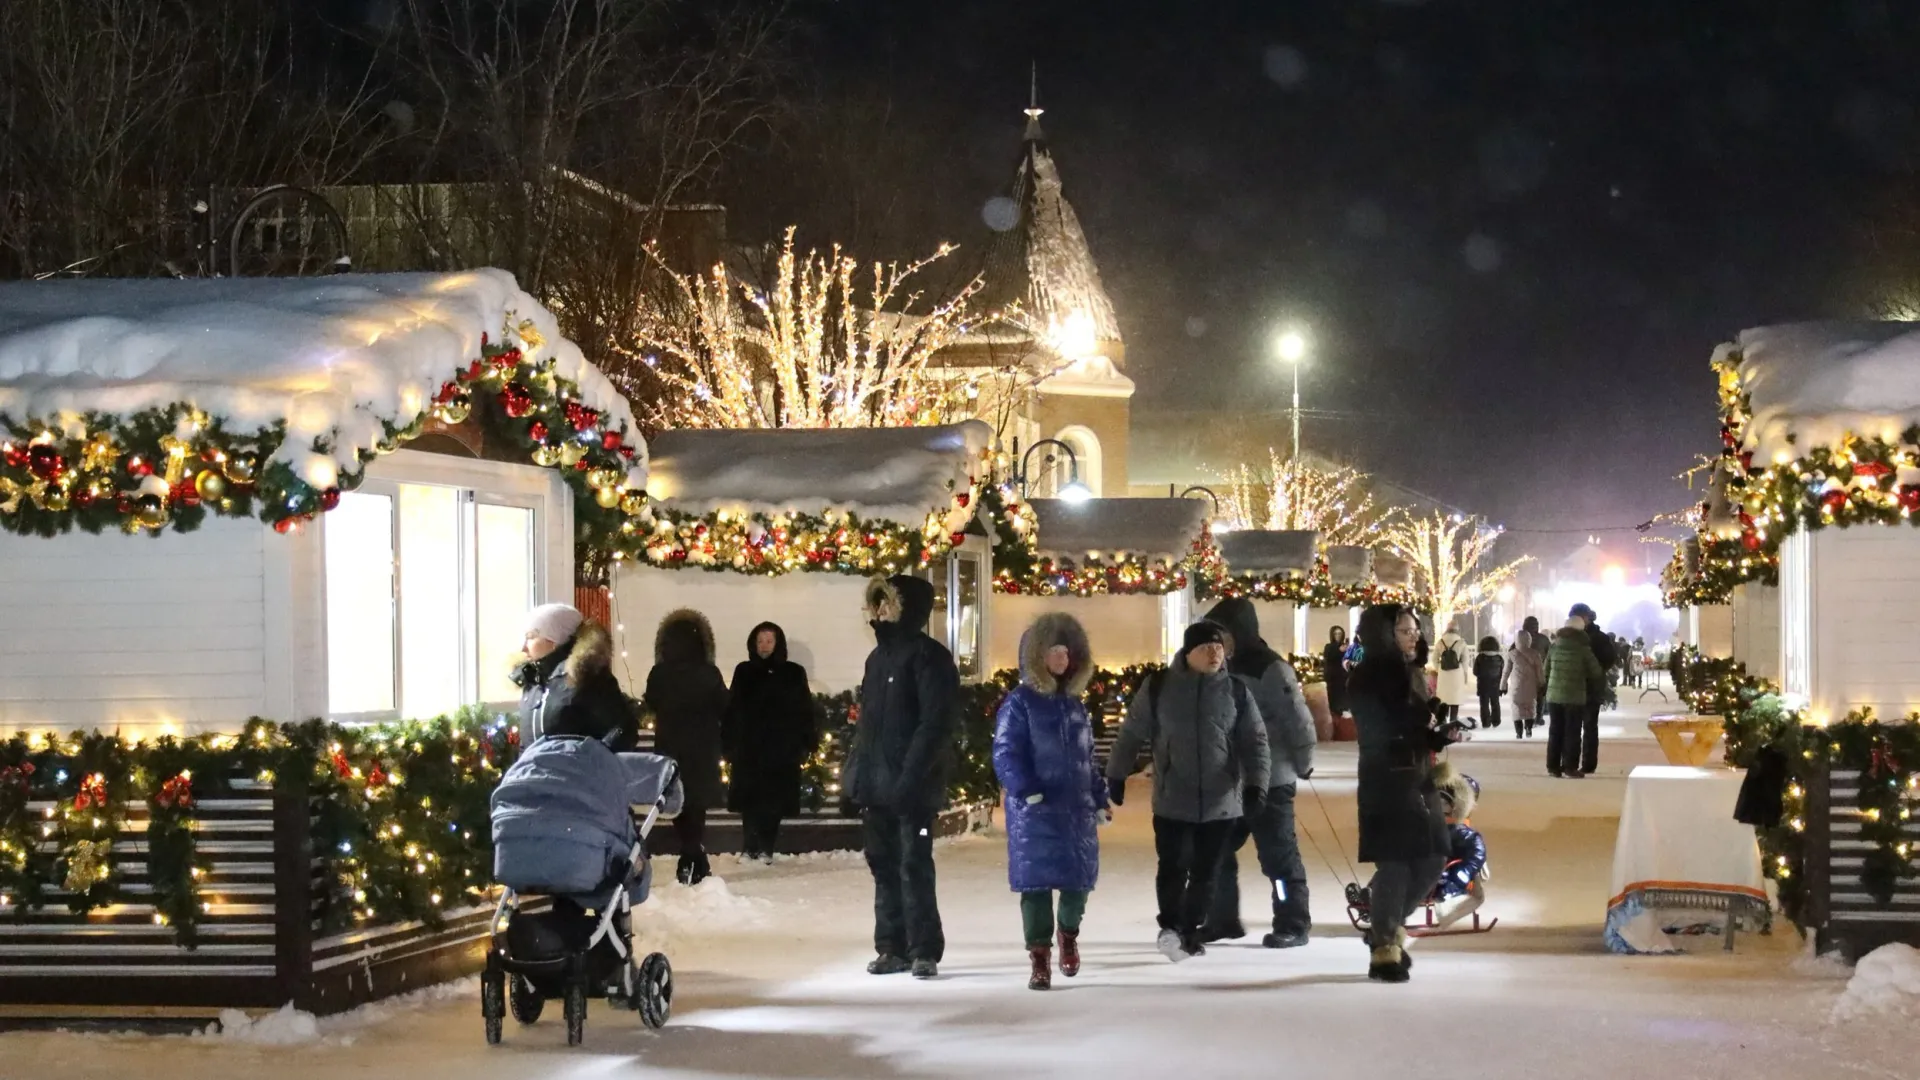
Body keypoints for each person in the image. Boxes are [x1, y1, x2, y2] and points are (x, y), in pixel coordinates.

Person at [1105, 620, 1269, 962]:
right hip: (1172, 797)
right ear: (1188, 652)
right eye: (1206, 647)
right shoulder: (1160, 686)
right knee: (1173, 865)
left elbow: (1255, 741)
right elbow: (1131, 733)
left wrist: (1256, 786)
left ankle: (1190, 930)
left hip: (1221, 800)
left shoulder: (1236, 691)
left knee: (1206, 873)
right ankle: (1170, 926)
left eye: (1219, 647)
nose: (1214, 653)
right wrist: (1116, 774)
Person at [849, 575, 960, 980]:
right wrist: (860, 777)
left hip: (913, 788)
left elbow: (935, 724)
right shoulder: (876, 661)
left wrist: (910, 778)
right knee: (882, 865)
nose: (880, 612)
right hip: (877, 786)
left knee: (914, 864)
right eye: (877, 605)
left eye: (888, 604)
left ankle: (923, 948)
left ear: (907, 609)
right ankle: (890, 947)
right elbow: (869, 727)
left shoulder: (930, 657)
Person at [1347, 603, 1463, 982]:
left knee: (1432, 858)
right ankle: (1384, 949)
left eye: (1414, 629)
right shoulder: (1370, 677)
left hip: (1419, 776)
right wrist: (1421, 728)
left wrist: (1437, 733)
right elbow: (1381, 732)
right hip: (1388, 780)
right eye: (1403, 631)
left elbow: (1413, 726)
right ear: (1383, 635)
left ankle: (1387, 925)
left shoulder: (1409, 673)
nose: (1414, 636)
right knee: (1395, 863)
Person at [992, 613, 1107, 991]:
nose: (1061, 659)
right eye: (1054, 651)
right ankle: (1039, 956)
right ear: (1037, 656)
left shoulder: (1075, 705)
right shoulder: (1019, 703)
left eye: (1066, 652)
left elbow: (1087, 758)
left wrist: (1100, 796)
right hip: (1036, 812)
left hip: (1074, 810)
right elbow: (1007, 751)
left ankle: (1068, 935)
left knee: (1078, 883)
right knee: (1036, 887)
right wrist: (1024, 788)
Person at [1201, 598, 1317, 949]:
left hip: (1271, 781)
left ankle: (1292, 922)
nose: (1218, 643)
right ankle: (1222, 919)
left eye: (1223, 634)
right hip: (1227, 783)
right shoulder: (1213, 669)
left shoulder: (1272, 670)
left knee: (1278, 856)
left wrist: (1303, 760)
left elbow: (1298, 720)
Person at [723, 622, 820, 861]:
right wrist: (729, 742)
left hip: (781, 748)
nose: (764, 645)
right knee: (750, 800)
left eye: (769, 640)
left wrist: (807, 741)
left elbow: (804, 708)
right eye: (760, 641)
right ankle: (749, 846)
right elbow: (732, 708)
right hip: (749, 748)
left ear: (778, 643)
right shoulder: (743, 671)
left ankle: (767, 847)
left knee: (774, 801)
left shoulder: (793, 673)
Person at [644, 609, 728, 885]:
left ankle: (690, 854)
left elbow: (652, 702)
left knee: (677, 802)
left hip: (670, 744)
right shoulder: (709, 673)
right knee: (696, 802)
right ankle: (693, 855)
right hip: (703, 746)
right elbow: (723, 706)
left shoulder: (659, 673)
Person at [513, 603, 639, 749]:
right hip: (534, 772)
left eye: (531, 637)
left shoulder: (587, 678)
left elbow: (622, 729)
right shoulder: (532, 681)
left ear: (554, 640)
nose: (523, 647)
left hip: (578, 772)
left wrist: (590, 762)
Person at [1543, 617, 1603, 778]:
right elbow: (1596, 672)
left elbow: (1545, 670)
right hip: (1574, 696)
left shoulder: (1554, 647)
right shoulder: (1583, 649)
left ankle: (1553, 766)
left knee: (1555, 731)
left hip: (1554, 696)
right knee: (1572, 732)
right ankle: (1570, 766)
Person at [1432, 766, 1488, 931]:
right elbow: (1476, 855)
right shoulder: (1463, 832)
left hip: (1424, 871)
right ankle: (1447, 905)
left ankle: (1374, 892)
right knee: (1477, 893)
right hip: (1443, 877)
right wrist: (1460, 878)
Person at [1569, 604, 1618, 775]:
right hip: (1573, 686)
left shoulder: (1598, 638)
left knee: (1589, 726)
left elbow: (1610, 658)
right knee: (1574, 726)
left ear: (1588, 618)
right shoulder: (1569, 636)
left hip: (1591, 687)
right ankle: (1571, 763)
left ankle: (1588, 763)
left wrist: (1596, 670)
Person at [1504, 628, 1545, 740]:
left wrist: (1503, 685)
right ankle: (1528, 728)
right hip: (1531, 685)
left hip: (1516, 685)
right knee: (1530, 707)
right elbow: (1539, 671)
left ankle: (1518, 732)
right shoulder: (1535, 654)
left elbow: (1506, 671)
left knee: (1516, 707)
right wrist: (1542, 683)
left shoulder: (1511, 654)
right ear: (1529, 640)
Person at [1431, 624, 1471, 727]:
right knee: (1455, 700)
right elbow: (1466, 660)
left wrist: (1439, 668)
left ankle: (1443, 721)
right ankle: (1453, 722)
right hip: (1456, 675)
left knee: (1444, 700)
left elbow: (1434, 659)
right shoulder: (1461, 642)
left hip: (1443, 674)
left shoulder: (1440, 642)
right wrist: (1464, 671)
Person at [1471, 635, 1504, 730]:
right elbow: (1502, 672)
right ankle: (1496, 721)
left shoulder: (1480, 658)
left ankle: (1486, 722)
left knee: (1484, 704)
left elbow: (1475, 672)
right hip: (1496, 684)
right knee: (1495, 703)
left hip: (1483, 684)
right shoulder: (1499, 658)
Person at [1322, 624, 1352, 721]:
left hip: (1344, 677)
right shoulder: (1329, 647)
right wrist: (1339, 650)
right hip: (1333, 678)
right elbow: (1329, 657)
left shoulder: (1346, 647)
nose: (1338, 635)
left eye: (1340, 633)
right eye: (1336, 634)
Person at [1522, 616, 1550, 722]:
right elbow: (1549, 654)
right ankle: (1538, 717)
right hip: (1539, 671)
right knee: (1540, 696)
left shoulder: (1520, 638)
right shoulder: (1543, 639)